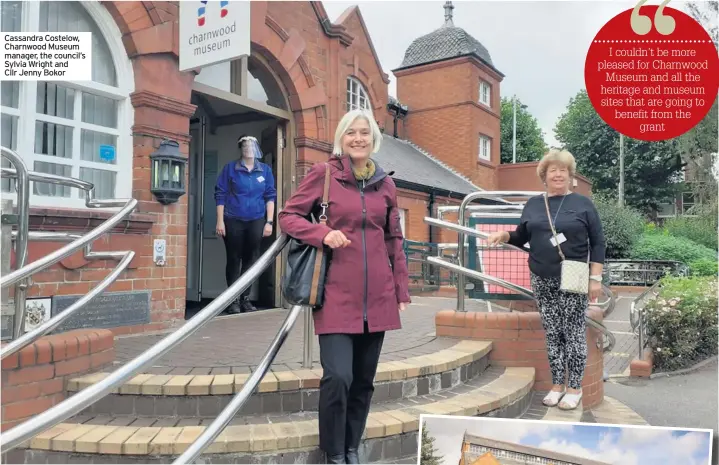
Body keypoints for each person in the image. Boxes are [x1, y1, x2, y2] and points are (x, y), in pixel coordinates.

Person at [278, 109, 411, 464]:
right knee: (338, 377)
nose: (358, 138)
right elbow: (288, 217)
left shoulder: (386, 184)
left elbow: (394, 239)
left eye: (364, 133)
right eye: (351, 132)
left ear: (373, 139)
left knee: (364, 382)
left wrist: (401, 288)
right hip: (336, 294)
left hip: (378, 295)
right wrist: (323, 233)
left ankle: (352, 447)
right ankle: (333, 451)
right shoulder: (324, 175)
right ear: (341, 137)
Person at [487, 149, 606, 411]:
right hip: (541, 276)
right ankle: (557, 385)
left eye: (563, 170)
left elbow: (598, 242)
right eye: (553, 170)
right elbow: (521, 236)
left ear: (570, 175)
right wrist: (504, 235)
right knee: (552, 333)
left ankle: (574, 388)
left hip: (574, 276)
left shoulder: (583, 204)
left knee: (573, 332)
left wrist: (595, 277)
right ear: (544, 175)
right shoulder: (533, 204)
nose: (558, 174)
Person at [214, 135, 276, 314]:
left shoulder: (265, 171)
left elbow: (270, 197)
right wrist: (220, 221)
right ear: (240, 149)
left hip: (257, 219)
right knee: (234, 258)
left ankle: (245, 298)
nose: (248, 149)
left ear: (256, 148)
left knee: (252, 258)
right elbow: (221, 194)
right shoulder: (230, 169)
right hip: (233, 219)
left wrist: (269, 222)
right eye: (245, 146)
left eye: (252, 146)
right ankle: (232, 300)